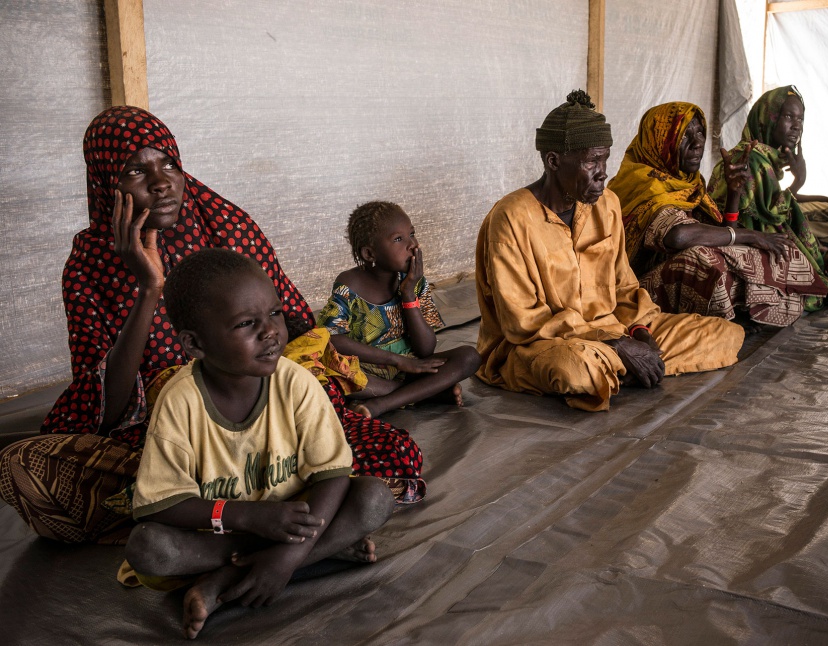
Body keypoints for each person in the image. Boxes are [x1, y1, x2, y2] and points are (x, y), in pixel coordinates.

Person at [0, 106, 423, 545]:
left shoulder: (227, 228)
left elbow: (294, 335)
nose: (161, 182)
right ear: (107, 184)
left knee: (385, 453)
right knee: (26, 468)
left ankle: (208, 532)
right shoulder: (88, 266)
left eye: (168, 163)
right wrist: (149, 289)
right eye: (134, 171)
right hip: (167, 437)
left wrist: (383, 381)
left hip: (264, 427)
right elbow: (104, 412)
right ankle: (290, 529)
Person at [122, 249, 395, 639]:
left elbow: (332, 477)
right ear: (195, 344)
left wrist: (285, 558)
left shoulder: (296, 383)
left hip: (296, 522)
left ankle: (225, 581)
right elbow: (162, 505)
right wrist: (249, 518)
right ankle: (322, 552)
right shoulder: (180, 400)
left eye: (276, 314)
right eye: (247, 323)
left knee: (374, 499)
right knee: (148, 549)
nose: (271, 332)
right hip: (231, 532)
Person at [475, 90, 745, 412]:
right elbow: (523, 322)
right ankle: (619, 364)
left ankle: (620, 368)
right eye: (591, 161)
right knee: (574, 369)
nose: (603, 172)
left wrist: (641, 334)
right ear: (553, 161)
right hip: (542, 344)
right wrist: (615, 342)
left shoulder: (608, 204)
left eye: (605, 159)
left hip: (616, 330)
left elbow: (625, 288)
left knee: (725, 334)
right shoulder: (510, 218)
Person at [608, 102, 828, 328]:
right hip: (634, 294)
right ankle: (732, 317)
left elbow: (721, 232)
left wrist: (734, 193)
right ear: (659, 141)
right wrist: (748, 235)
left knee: (776, 248)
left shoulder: (689, 183)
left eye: (700, 132)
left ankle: (750, 311)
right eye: (684, 135)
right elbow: (678, 236)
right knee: (700, 260)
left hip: (674, 273)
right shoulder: (643, 183)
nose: (697, 144)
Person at [316, 201, 481, 418]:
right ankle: (425, 394)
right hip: (366, 371)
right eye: (398, 239)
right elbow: (334, 339)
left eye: (412, 233)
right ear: (369, 254)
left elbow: (425, 350)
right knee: (331, 376)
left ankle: (382, 404)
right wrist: (396, 360)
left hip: (410, 369)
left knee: (469, 356)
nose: (412, 244)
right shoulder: (350, 284)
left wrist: (409, 294)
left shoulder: (414, 281)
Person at [708, 86, 828, 308]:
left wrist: (817, 252)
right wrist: (798, 182)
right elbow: (732, 229)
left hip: (761, 248)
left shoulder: (766, 161)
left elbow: (772, 214)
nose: (797, 125)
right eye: (788, 116)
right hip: (743, 253)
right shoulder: (749, 160)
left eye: (801, 119)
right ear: (768, 118)